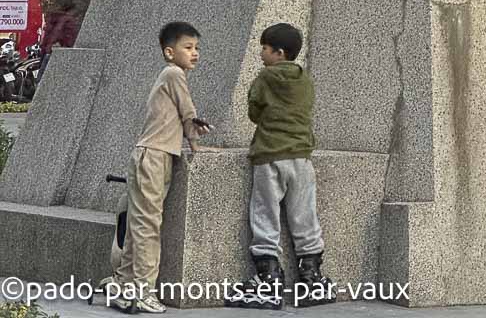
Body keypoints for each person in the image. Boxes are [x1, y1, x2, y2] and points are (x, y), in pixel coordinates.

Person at [108, 21, 209, 313]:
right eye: (188, 47)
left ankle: (124, 286)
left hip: (151, 155)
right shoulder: (174, 73)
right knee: (148, 226)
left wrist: (193, 135)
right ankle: (143, 292)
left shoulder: (170, 75)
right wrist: (196, 144)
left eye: (197, 48)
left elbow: (184, 119)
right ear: (169, 52)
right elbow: (188, 112)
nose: (195, 54)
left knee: (140, 225)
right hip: (153, 157)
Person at [228, 23, 328, 311]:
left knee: (265, 213)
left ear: (279, 53)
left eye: (264, 48)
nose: (261, 54)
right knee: (304, 215)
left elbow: (254, 111)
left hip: (270, 156)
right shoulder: (305, 80)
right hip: (301, 157)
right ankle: (311, 278)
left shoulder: (265, 77)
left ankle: (268, 278)